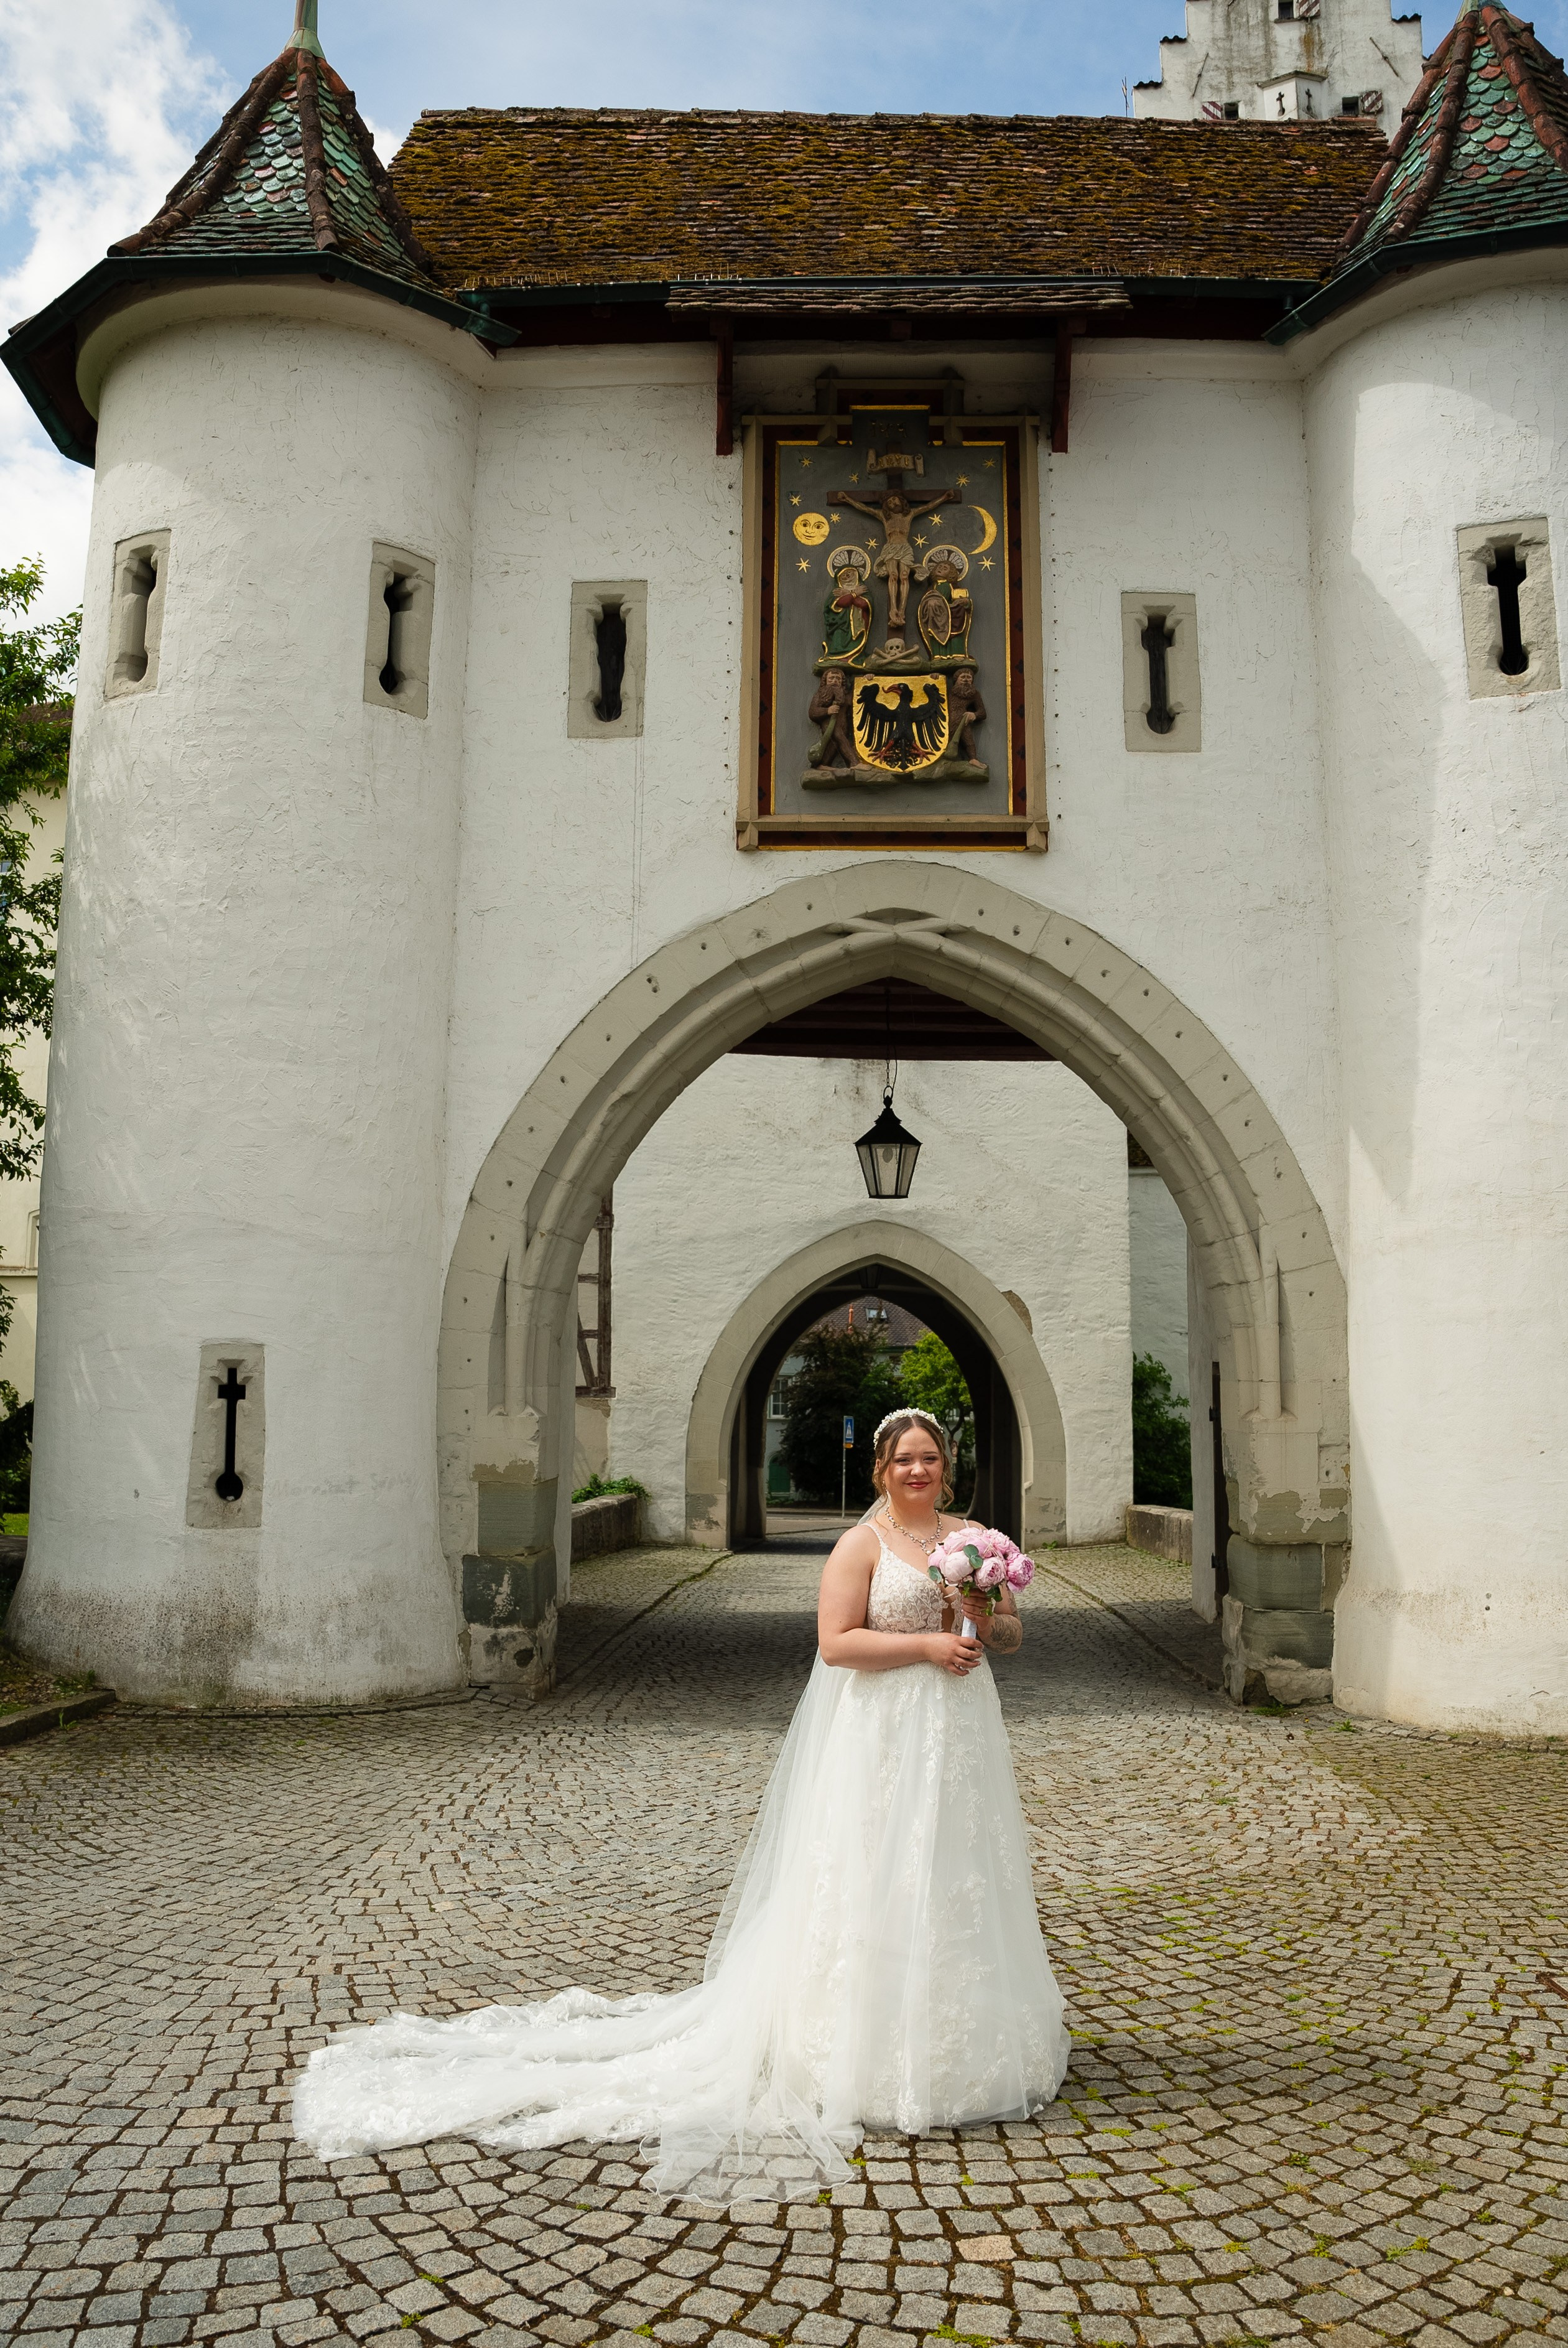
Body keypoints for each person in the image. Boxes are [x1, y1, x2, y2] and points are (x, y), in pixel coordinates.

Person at [292, 1407, 1070, 2199]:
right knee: (877, 1876)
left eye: (929, 1458)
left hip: (959, 1732)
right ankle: (863, 2050)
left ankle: (960, 2036)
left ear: (946, 1464)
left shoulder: (973, 1536)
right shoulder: (859, 1545)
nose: (917, 1469)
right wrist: (926, 1645)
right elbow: (836, 1644)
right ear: (881, 1469)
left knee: (954, 1871)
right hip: (881, 1737)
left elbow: (1006, 1633)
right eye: (904, 1459)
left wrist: (980, 1616)